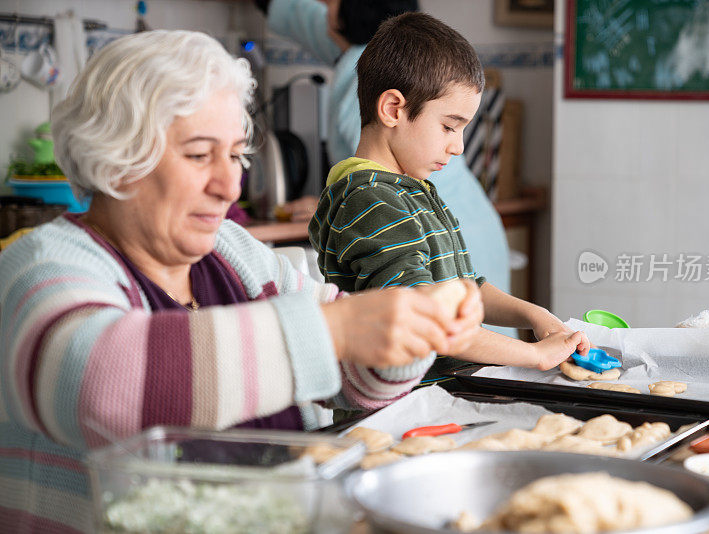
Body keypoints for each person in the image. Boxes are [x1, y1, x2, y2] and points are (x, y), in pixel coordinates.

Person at [0, 30, 483, 533]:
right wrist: (334, 329)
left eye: (234, 156)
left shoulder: (235, 254)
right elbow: (100, 382)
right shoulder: (40, 267)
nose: (229, 185)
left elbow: (356, 379)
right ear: (119, 159)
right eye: (198, 155)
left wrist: (415, 329)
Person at [309, 13, 591, 378]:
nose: (457, 147)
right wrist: (534, 354)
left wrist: (534, 315)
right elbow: (431, 325)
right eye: (448, 127)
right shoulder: (371, 201)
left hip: (444, 395)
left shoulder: (413, 190)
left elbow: (464, 289)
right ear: (393, 109)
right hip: (404, 411)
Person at [257, 0, 514, 336]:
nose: (322, 6)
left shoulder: (363, 72)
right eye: (450, 128)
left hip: (437, 239)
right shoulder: (379, 59)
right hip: (476, 226)